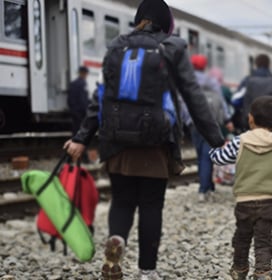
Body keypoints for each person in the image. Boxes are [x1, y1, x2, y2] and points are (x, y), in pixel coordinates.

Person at [63, 1, 225, 279]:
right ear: (166, 23)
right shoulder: (173, 47)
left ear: (139, 19)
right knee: (151, 204)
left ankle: (117, 243)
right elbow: (193, 97)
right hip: (155, 143)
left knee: (122, 201)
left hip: (117, 142)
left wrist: (81, 138)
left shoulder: (116, 46)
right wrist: (217, 141)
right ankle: (147, 270)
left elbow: (100, 98)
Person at [209, 96, 272, 280]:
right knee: (264, 239)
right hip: (267, 202)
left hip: (244, 201)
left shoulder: (240, 141)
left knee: (242, 237)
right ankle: (262, 271)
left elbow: (219, 158)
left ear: (250, 118)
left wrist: (212, 149)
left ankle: (239, 269)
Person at [190, 54, 233, 202]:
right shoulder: (213, 82)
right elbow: (221, 103)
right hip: (211, 123)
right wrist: (227, 119)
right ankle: (205, 189)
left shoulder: (188, 80)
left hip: (194, 123)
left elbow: (182, 102)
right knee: (207, 156)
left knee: (200, 157)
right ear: (204, 66)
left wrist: (186, 119)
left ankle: (206, 188)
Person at [231, 54, 272, 132]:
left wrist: (245, 108)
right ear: (269, 65)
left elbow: (235, 100)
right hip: (271, 125)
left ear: (256, 64)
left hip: (250, 124)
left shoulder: (247, 80)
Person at [67, 66, 90, 136]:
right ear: (83, 73)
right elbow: (83, 99)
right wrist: (86, 110)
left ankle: (74, 143)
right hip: (80, 112)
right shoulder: (82, 83)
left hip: (75, 111)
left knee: (75, 129)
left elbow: (69, 99)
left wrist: (72, 109)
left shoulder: (73, 83)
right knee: (80, 130)